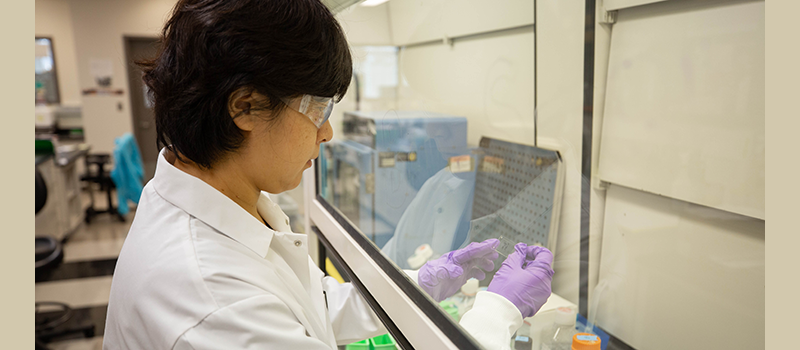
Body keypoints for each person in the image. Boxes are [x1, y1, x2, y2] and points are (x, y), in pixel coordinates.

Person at [103, 0, 555, 349]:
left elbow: (303, 306)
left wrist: (422, 284)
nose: (328, 131)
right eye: (317, 108)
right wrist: (496, 314)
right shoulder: (211, 299)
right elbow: (259, 314)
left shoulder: (223, 196)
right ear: (245, 106)